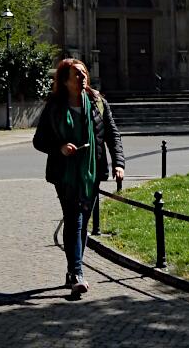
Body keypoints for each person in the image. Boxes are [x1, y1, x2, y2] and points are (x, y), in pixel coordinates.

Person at [33, 58, 125, 297]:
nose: (82, 77)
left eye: (84, 73)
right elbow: (39, 140)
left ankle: (72, 269)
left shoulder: (98, 102)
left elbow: (112, 135)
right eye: (76, 74)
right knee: (74, 218)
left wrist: (119, 163)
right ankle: (76, 273)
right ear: (65, 80)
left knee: (82, 221)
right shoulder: (54, 106)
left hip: (92, 171)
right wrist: (60, 147)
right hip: (64, 173)